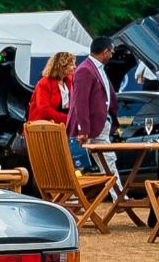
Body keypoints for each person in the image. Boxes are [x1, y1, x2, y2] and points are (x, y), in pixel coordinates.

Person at [67, 36, 119, 179]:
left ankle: (117, 195)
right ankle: (119, 196)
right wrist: (83, 130)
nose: (113, 54)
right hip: (92, 126)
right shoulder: (85, 70)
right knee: (107, 161)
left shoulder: (96, 68)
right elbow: (80, 102)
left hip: (99, 125)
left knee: (106, 162)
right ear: (105, 51)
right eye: (111, 51)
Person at [27, 52, 76, 124]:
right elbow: (44, 110)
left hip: (64, 124)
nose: (75, 67)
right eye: (71, 64)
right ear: (61, 66)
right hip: (44, 126)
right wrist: (67, 118)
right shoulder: (44, 83)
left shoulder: (70, 80)